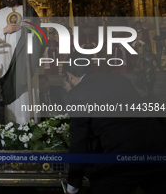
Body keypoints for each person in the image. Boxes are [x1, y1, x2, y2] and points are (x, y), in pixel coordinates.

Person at [64, 52, 166, 194]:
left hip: (121, 158)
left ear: (69, 75)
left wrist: (73, 184)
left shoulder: (76, 94)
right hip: (156, 147)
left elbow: (79, 140)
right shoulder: (119, 79)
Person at [0, 0, 45, 124]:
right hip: (7, 65)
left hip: (27, 64)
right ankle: (13, 133)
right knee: (13, 101)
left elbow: (41, 34)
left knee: (28, 94)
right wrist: (4, 31)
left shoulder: (28, 10)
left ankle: (32, 131)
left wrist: (30, 27)